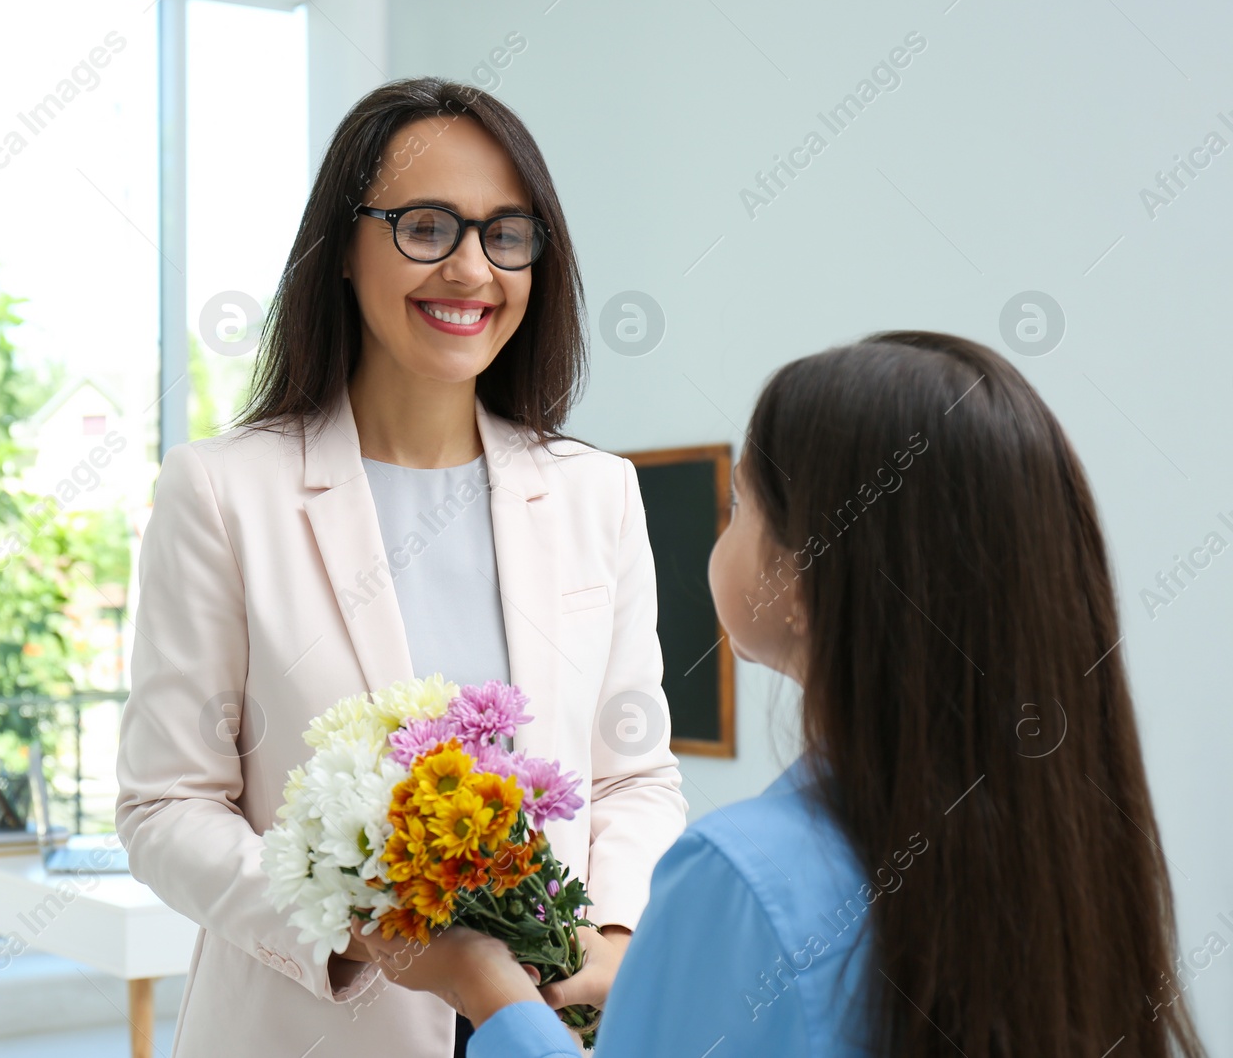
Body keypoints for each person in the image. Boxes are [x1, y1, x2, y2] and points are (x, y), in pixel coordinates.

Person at [356, 331, 1210, 1058]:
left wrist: (490, 993)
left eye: (740, 505)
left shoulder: (741, 880)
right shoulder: (1071, 849)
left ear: (802, 579)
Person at [113, 76, 689, 1058]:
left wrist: (619, 933)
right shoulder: (220, 489)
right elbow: (165, 803)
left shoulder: (597, 491)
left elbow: (633, 771)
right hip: (306, 1026)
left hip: (551, 1025)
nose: (471, 268)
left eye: (506, 234)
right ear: (342, 246)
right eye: (427, 226)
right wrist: (351, 921)